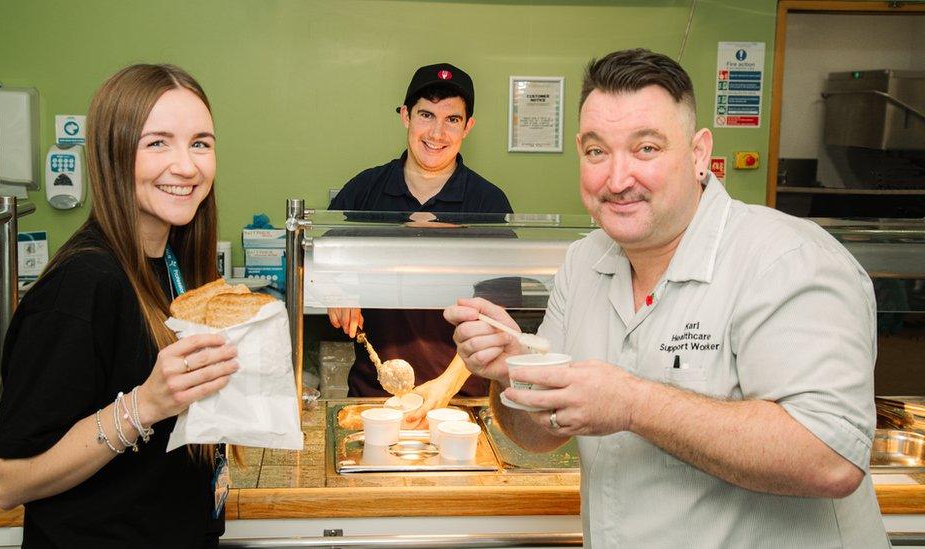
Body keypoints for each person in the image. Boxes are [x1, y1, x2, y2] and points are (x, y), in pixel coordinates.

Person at [445, 49, 888, 548]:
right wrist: (510, 372)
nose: (616, 180)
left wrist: (634, 404)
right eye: (596, 152)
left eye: (646, 149)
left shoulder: (786, 259)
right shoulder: (583, 263)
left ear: (699, 153)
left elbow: (831, 459)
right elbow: (539, 435)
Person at [0, 64, 240, 548]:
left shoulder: (172, 266)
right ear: (113, 154)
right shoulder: (82, 286)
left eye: (200, 143)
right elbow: (9, 480)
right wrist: (145, 405)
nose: (186, 166)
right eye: (158, 142)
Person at [328, 63, 512, 423]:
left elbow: (499, 318)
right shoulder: (363, 193)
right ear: (405, 116)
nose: (437, 132)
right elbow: (318, 260)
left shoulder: (488, 204)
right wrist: (336, 287)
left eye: (452, 119)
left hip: (461, 402)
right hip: (374, 398)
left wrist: (447, 385)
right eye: (426, 114)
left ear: (468, 126)